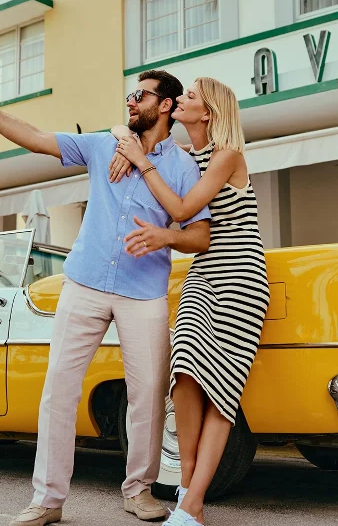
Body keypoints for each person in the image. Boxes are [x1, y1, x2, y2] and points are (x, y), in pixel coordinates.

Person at [0, 69, 211, 526]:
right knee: (59, 392)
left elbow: (199, 237)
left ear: (166, 105)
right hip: (85, 284)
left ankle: (139, 490)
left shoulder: (184, 167)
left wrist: (163, 237)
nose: (130, 102)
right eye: (129, 95)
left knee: (147, 395)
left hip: (143, 293)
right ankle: (48, 500)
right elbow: (35, 138)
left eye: (141, 96)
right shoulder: (102, 145)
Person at [109, 77, 270, 526]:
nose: (180, 100)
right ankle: (188, 484)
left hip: (240, 277)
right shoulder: (185, 158)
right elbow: (122, 127)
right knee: (183, 374)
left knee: (222, 390)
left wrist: (140, 161)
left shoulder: (227, 156)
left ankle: (194, 502)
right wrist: (127, 141)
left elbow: (181, 213)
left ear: (210, 114)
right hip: (203, 275)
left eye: (191, 97)